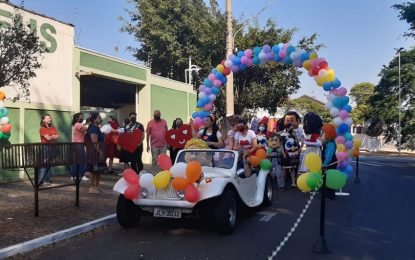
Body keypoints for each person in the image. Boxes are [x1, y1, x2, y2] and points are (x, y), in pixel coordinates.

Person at [85, 113, 105, 193]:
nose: (100, 119)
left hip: (98, 151)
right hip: (94, 152)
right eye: (98, 118)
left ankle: (96, 186)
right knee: (93, 170)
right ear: (94, 119)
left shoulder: (96, 127)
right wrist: (100, 152)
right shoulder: (93, 128)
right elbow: (94, 142)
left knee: (98, 170)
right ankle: (91, 187)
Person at [38, 114, 59, 185]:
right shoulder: (42, 128)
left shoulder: (53, 128)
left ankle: (47, 179)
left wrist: (52, 137)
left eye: (50, 118)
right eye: (47, 118)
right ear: (43, 120)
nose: (49, 119)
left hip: (53, 147)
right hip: (45, 148)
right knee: (44, 163)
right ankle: (41, 180)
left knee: (49, 163)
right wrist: (53, 136)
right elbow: (47, 138)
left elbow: (57, 136)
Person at [320, 123, 337, 200]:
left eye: (323, 132)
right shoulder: (327, 143)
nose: (322, 134)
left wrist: (324, 164)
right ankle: (326, 193)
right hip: (327, 163)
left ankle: (330, 195)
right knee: (325, 178)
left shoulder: (331, 144)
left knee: (328, 179)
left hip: (330, 163)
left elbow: (329, 156)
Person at [71, 112, 89, 181]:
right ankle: (82, 175)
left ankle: (74, 175)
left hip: (77, 144)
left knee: (76, 160)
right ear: (77, 118)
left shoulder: (77, 124)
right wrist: (87, 124)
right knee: (82, 160)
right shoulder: (78, 124)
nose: (82, 118)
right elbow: (85, 129)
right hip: (78, 144)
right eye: (81, 117)